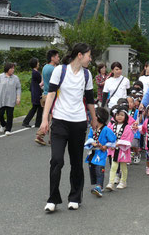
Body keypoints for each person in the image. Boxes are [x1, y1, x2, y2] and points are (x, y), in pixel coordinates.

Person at [40, 43, 98, 213]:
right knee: (56, 160)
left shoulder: (87, 74)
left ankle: (74, 197)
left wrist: (94, 119)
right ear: (80, 55)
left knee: (76, 161)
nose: (90, 58)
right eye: (89, 55)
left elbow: (90, 100)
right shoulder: (60, 71)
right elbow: (50, 95)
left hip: (79, 122)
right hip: (59, 121)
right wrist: (45, 119)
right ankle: (53, 199)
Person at [106, 105, 134, 190]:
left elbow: (128, 137)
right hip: (114, 149)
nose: (119, 117)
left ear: (126, 117)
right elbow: (107, 135)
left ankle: (123, 181)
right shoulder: (111, 126)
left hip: (122, 150)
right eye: (117, 115)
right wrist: (110, 144)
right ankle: (111, 182)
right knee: (113, 166)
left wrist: (118, 143)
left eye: (122, 115)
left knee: (123, 166)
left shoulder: (127, 127)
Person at [35, 49, 60, 146]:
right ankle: (47, 137)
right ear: (52, 58)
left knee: (47, 118)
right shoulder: (53, 69)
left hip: (44, 94)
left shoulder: (45, 67)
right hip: (51, 96)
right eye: (57, 56)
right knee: (51, 118)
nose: (58, 58)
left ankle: (41, 136)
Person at [0, 62, 21, 136]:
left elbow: (18, 88)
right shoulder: (0, 76)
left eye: (13, 68)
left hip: (11, 99)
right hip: (1, 99)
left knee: (10, 115)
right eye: (11, 68)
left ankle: (8, 129)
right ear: (7, 69)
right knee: (0, 114)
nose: (13, 70)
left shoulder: (15, 78)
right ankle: (3, 124)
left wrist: (18, 98)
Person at [22, 58, 43, 128]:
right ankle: (27, 122)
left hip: (35, 92)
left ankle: (36, 123)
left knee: (37, 108)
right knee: (37, 107)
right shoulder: (35, 73)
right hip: (37, 92)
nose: (39, 63)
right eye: (38, 62)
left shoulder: (34, 72)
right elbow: (41, 81)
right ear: (35, 64)